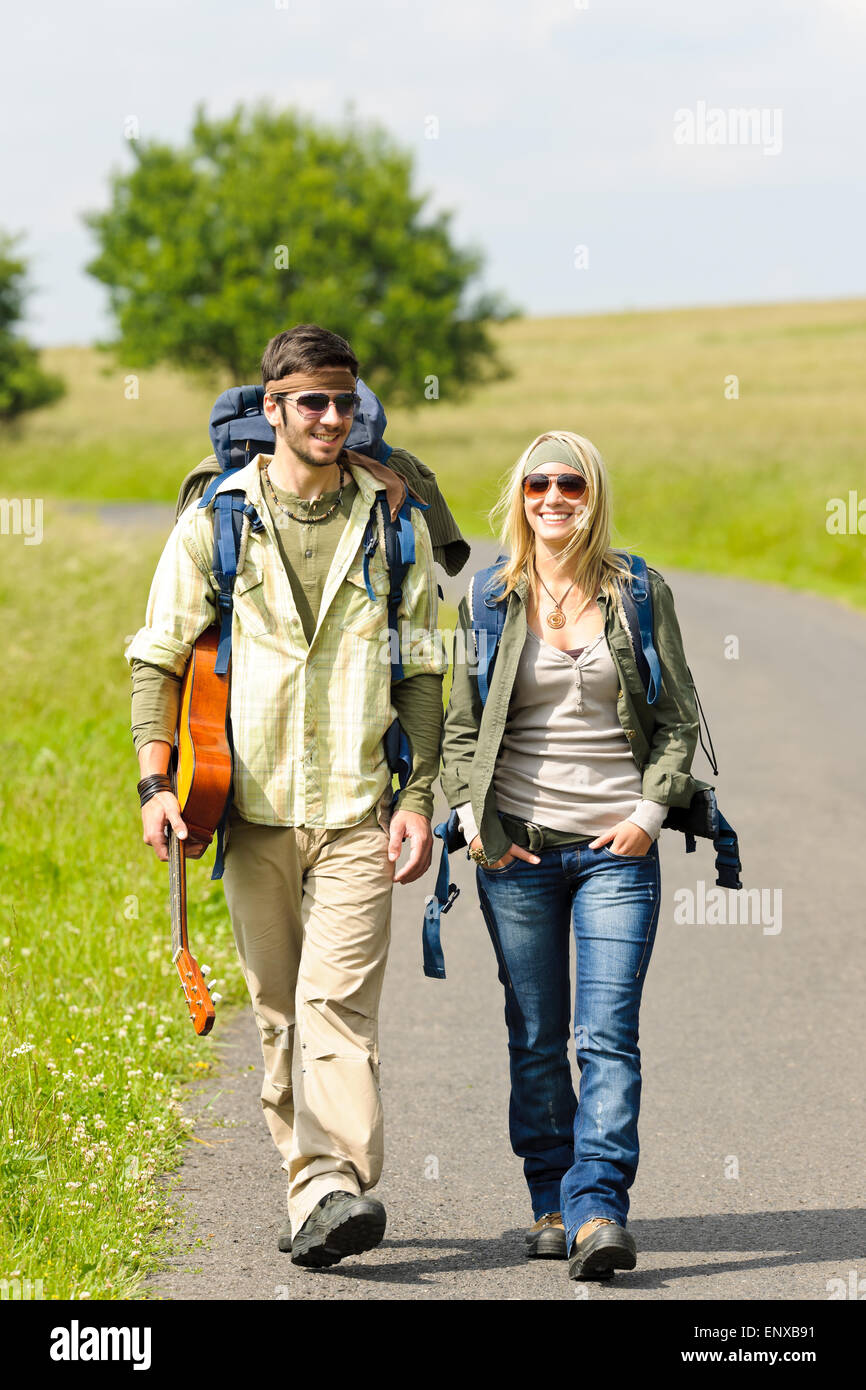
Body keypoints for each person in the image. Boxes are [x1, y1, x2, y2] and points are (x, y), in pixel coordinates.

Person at [126, 323, 447, 1268]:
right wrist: (155, 785)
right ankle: (311, 1187)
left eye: (346, 402)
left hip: (356, 807)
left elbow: (425, 668)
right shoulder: (217, 519)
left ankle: (330, 1184)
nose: (333, 418)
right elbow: (159, 658)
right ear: (272, 408)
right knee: (278, 1012)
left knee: (336, 1006)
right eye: (313, 402)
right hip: (248, 812)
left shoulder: (393, 521)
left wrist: (417, 795)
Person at [441, 431, 704, 1282]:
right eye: (538, 485)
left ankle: (598, 1209)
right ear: (518, 497)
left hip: (616, 850)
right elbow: (455, 728)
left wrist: (651, 811)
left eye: (572, 486)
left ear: (594, 496)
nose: (555, 499)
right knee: (535, 1035)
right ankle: (549, 1200)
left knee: (608, 1036)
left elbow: (678, 718)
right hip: (515, 848)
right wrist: (471, 818)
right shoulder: (486, 597)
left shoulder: (637, 591)